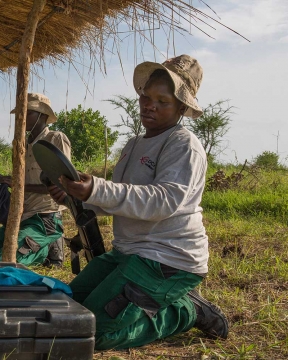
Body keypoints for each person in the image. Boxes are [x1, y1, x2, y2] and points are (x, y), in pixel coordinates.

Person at [48, 55, 228, 349]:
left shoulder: (183, 145)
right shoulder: (133, 144)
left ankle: (185, 312)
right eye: (146, 96)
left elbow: (163, 201)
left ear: (181, 107)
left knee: (88, 335)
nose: (150, 105)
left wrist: (97, 189)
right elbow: (123, 196)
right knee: (68, 308)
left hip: (167, 260)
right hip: (127, 253)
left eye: (162, 100)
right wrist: (80, 197)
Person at [0, 93, 71, 266]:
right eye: (20, 114)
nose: (22, 118)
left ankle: (44, 251)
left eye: (27, 113)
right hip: (23, 217)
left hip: (45, 218)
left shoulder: (54, 139)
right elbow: (21, 179)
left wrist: (18, 185)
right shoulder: (22, 144)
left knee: (3, 262)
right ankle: (41, 249)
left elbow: (61, 184)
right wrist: (2, 178)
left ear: (42, 115)